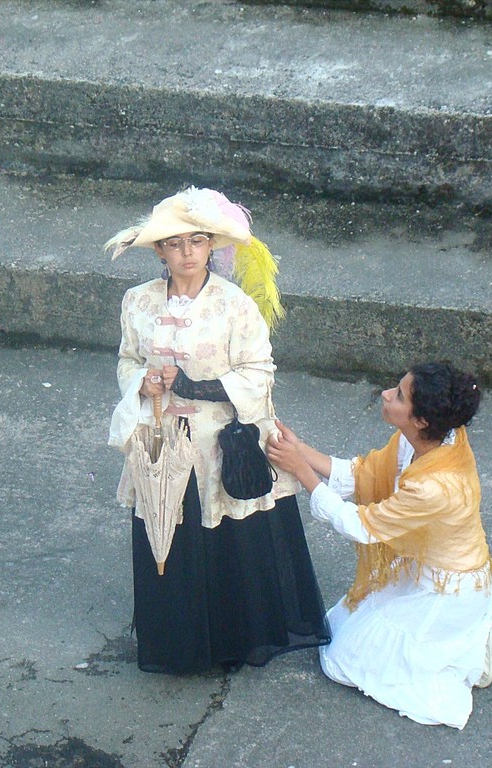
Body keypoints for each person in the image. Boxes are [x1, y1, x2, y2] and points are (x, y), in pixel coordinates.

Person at [105, 186, 330, 674]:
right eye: (175, 243)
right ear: (160, 251)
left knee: (227, 540)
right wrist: (142, 382)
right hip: (161, 440)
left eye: (198, 241)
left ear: (212, 248)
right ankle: (175, 641)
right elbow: (127, 357)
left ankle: (230, 639)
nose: (187, 253)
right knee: (167, 531)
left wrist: (193, 383)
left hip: (219, 443)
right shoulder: (136, 302)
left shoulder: (235, 305)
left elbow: (258, 371)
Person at [266, 362, 492, 729]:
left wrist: (303, 472)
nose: (387, 394)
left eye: (399, 395)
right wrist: (300, 450)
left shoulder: (435, 486)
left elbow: (362, 526)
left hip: (445, 589)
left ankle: (467, 648)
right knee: (339, 625)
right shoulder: (433, 438)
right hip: (425, 568)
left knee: (340, 658)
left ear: (420, 420)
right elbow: (363, 474)